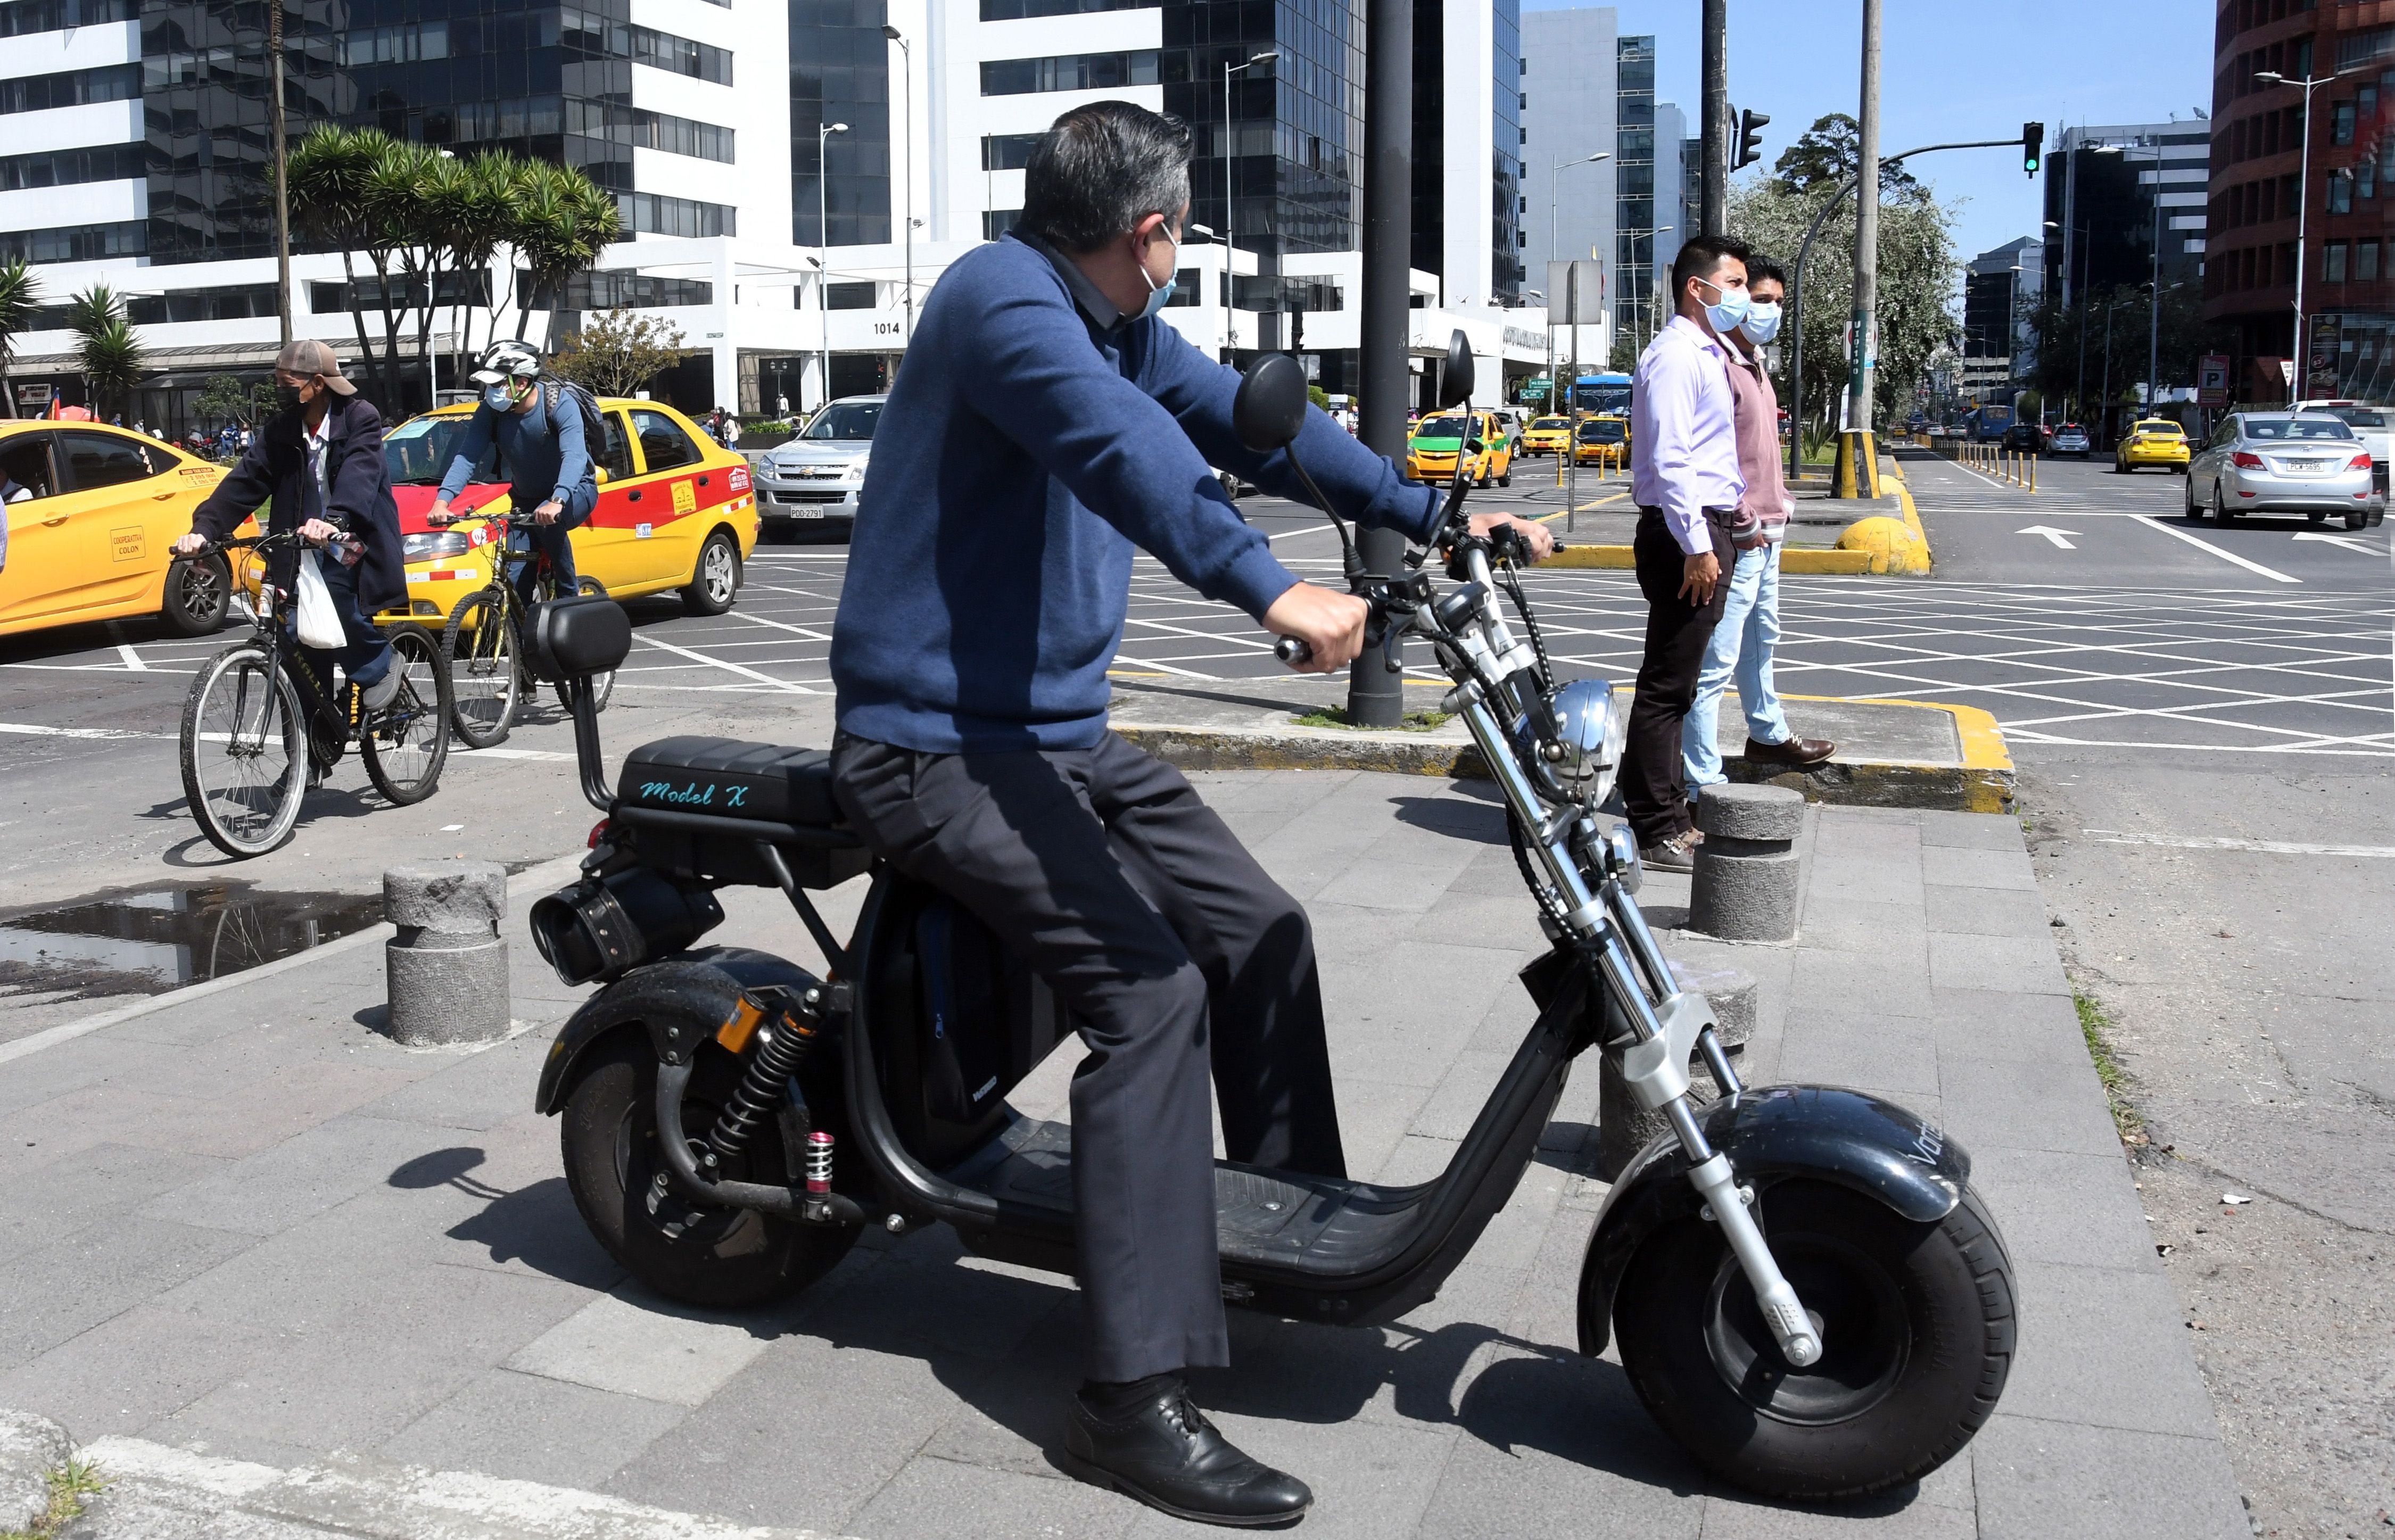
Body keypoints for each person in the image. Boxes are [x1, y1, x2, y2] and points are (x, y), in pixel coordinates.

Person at [827, 101, 1551, 1527]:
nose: (1176, 264)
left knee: (1258, 926)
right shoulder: (1002, 305)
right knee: (1151, 996)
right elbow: (1119, 452)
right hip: (929, 749)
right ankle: (1127, 1395)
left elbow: (1251, 426)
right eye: (1176, 240)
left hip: (1058, 742)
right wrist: (1268, 586)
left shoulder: (1122, 327)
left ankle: (1280, 1233)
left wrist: (1424, 510)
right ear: (1147, 233)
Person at [172, 340, 404, 714]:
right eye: (278, 382)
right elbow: (246, 480)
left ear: (317, 383)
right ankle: (310, 765)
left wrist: (335, 519)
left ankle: (380, 664)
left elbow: (361, 474)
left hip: (353, 538)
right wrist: (205, 529)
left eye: (288, 384)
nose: (280, 391)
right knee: (297, 648)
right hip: (299, 546)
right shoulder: (282, 429)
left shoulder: (360, 417)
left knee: (333, 597)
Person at [1681, 253, 1835, 803]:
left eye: (1775, 302)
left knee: (1761, 639)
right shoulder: (1718, 363)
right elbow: (1709, 458)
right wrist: (1744, 521)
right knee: (1716, 658)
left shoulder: (1755, 363)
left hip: (1771, 526)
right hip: (1740, 533)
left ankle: (1767, 733)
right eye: (1757, 297)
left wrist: (1781, 504)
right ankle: (1700, 778)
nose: (1767, 309)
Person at [1624, 234, 1751, 872]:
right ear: (1695, 288)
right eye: (1734, 285)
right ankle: (1656, 825)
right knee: (1669, 686)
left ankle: (1664, 809)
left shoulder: (1707, 350)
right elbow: (1673, 459)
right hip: (1686, 534)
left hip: (1704, 526)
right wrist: (1698, 545)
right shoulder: (1677, 355)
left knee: (1679, 681)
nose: (1744, 298)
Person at [427, 340, 596, 608]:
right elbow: (467, 456)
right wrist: (443, 501)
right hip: (525, 500)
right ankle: (521, 641)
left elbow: (574, 456)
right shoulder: (490, 412)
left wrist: (558, 499)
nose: (490, 392)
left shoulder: (558, 404)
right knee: (516, 581)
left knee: (548, 524)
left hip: (575, 492)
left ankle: (569, 598)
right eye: (489, 386)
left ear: (521, 382)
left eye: (497, 385)